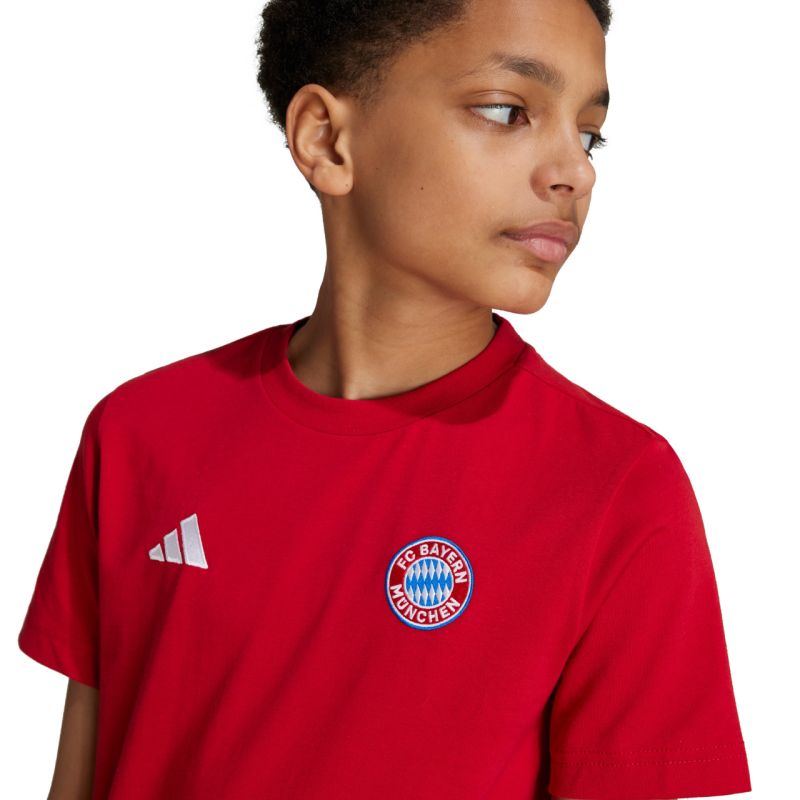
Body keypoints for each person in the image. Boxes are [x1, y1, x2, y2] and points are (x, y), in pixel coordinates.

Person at [18, 0, 753, 798]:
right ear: (327, 141)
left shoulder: (617, 489)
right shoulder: (140, 433)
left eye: (589, 132)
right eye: (507, 111)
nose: (575, 171)